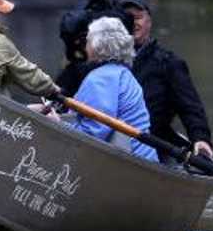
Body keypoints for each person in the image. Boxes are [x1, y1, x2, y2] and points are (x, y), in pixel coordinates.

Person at [116, 0, 213, 160]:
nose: (133, 23)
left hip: (153, 143)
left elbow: (190, 107)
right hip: (110, 137)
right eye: (127, 18)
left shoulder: (169, 64)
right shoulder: (102, 60)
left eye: (138, 17)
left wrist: (201, 138)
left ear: (149, 22)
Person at [49, 16, 159, 162]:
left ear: (98, 45)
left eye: (88, 40)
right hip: (145, 157)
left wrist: (58, 125)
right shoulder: (122, 72)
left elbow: (94, 131)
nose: (85, 45)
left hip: (131, 164)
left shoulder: (100, 78)